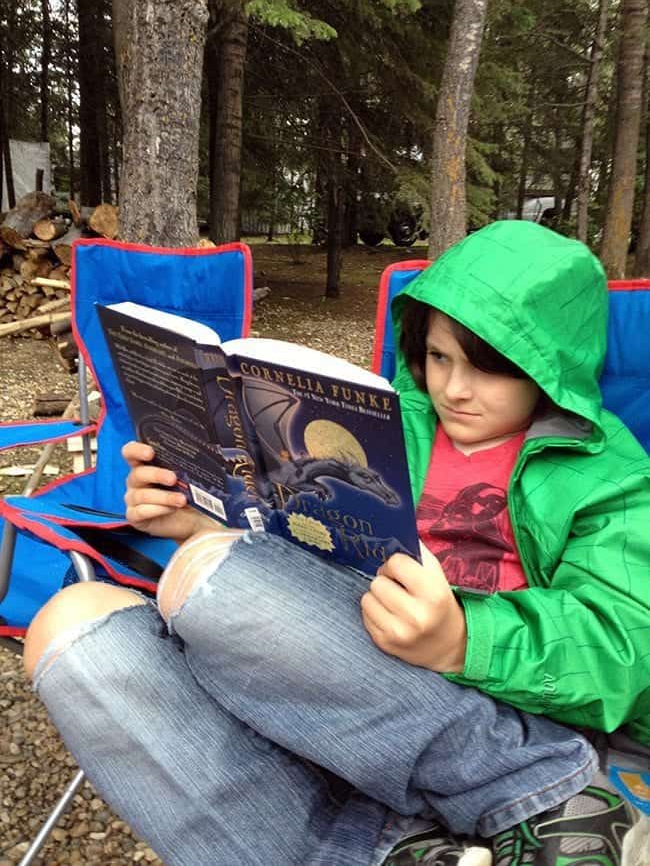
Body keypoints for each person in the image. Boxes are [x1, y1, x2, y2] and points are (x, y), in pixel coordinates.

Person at [23, 220, 650, 866]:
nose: (456, 388)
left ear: (552, 369)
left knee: (212, 579)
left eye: (490, 369)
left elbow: (624, 647)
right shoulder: (386, 425)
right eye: (439, 357)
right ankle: (397, 853)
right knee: (73, 636)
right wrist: (195, 516)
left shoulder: (608, 476)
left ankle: (548, 799)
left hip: (495, 715)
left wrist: (466, 636)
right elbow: (300, 560)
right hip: (337, 692)